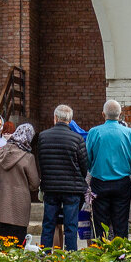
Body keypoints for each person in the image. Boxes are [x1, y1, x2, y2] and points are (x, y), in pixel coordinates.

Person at [37, 104, 89, 250]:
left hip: (51, 187)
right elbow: (84, 165)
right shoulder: (77, 138)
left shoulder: (43, 136)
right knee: (71, 225)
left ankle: (45, 256)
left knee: (48, 224)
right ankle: (71, 258)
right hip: (72, 188)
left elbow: (41, 161)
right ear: (70, 119)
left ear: (55, 118)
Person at [86, 99, 131, 240]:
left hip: (99, 182)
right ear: (120, 115)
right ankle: (121, 256)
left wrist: (95, 168)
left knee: (100, 224)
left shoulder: (94, 132)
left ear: (103, 114)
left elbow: (88, 159)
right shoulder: (129, 133)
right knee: (121, 223)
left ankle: (102, 255)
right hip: (122, 182)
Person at [0, 122, 40, 243]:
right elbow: (34, 184)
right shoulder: (28, 157)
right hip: (18, 210)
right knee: (15, 252)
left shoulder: (1, 151)